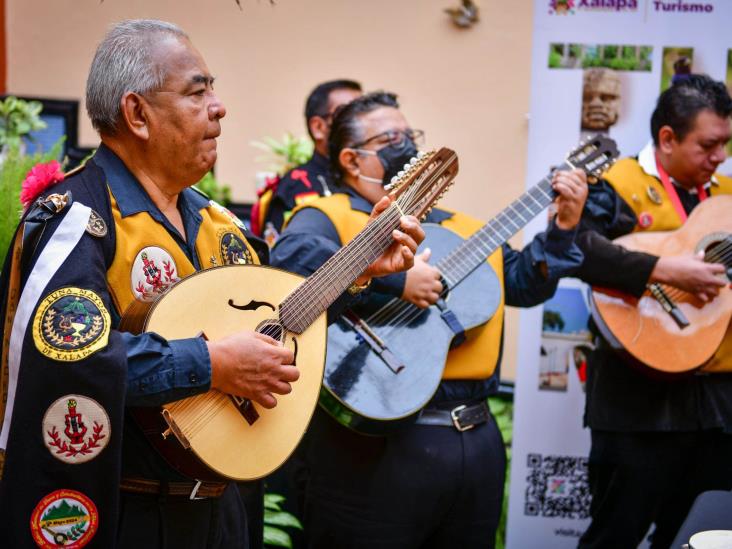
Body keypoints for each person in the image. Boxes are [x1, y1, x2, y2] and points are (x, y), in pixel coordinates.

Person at [0, 21, 424, 548]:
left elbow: (281, 321)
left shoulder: (219, 224)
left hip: (221, 514)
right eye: (198, 92)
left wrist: (360, 270)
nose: (219, 107)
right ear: (137, 114)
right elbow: (68, 359)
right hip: (124, 518)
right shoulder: (81, 219)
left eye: (213, 91)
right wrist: (213, 365)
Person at [270, 91, 588, 548]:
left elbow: (522, 283)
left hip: (475, 443)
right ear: (352, 160)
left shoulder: (463, 227)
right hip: (373, 447)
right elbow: (293, 265)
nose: (408, 145)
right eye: (390, 137)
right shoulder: (326, 215)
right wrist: (395, 282)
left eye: (410, 134)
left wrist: (562, 230)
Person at [575, 74, 732, 549]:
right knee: (615, 537)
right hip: (636, 404)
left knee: (704, 537)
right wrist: (665, 270)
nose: (720, 157)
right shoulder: (613, 184)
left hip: (719, 406)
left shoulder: (725, 198)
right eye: (708, 145)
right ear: (667, 138)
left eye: (725, 144)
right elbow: (578, 250)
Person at [250, 79, 363, 242]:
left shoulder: (368, 179)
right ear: (318, 127)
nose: (361, 124)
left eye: (364, 114)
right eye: (348, 115)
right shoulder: (294, 188)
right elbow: (281, 259)